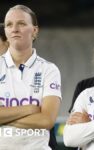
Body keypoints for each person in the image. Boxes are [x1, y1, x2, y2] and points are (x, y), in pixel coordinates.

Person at [0, 5, 61, 150]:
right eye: (9, 24)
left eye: (21, 23)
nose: (14, 29)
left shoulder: (49, 69)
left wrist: (5, 118)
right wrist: (29, 109)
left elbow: (46, 120)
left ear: (34, 30)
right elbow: (40, 117)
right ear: (6, 32)